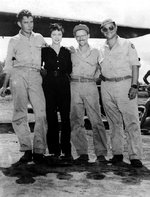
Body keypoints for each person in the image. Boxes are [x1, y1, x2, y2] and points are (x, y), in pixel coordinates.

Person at [0, 9, 47, 165]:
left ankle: (39, 150)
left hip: (35, 75)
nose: (29, 25)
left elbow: (50, 55)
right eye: (26, 22)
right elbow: (8, 65)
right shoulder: (14, 40)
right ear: (19, 23)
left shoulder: (39, 38)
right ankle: (26, 149)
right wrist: (4, 86)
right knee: (20, 112)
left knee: (41, 113)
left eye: (31, 22)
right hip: (18, 75)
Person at [99, 19, 143, 167]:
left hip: (124, 85)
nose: (108, 31)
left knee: (131, 121)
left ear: (116, 27)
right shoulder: (101, 48)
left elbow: (135, 65)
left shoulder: (127, 44)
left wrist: (134, 85)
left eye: (111, 27)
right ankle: (117, 154)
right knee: (113, 122)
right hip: (106, 85)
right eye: (104, 29)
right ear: (102, 31)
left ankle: (135, 156)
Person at [70, 24, 108, 164]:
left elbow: (102, 67)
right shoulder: (71, 52)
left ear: (88, 36)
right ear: (75, 37)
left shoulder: (97, 51)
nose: (81, 38)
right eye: (78, 36)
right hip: (74, 86)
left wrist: (96, 76)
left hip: (90, 86)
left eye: (83, 35)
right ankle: (82, 153)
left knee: (96, 120)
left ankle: (101, 153)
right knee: (76, 120)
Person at [41, 23, 73, 163]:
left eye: (59, 34)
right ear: (50, 35)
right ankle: (54, 150)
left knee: (66, 118)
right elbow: (39, 66)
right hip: (49, 85)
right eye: (54, 34)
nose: (56, 37)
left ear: (62, 35)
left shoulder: (67, 51)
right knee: (51, 117)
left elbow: (70, 69)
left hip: (64, 85)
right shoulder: (44, 51)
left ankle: (67, 150)